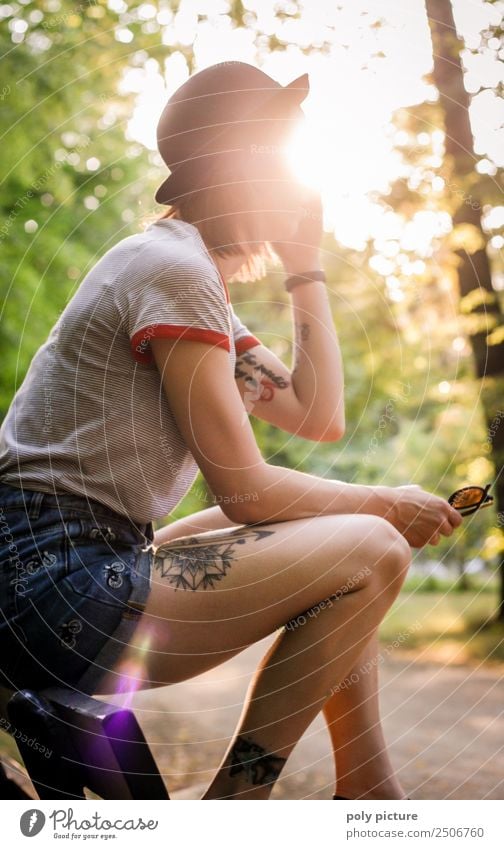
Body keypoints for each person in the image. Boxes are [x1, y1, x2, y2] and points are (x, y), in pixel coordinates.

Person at [0, 61, 462, 801]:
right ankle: (235, 807)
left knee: (347, 528)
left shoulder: (187, 278)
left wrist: (305, 267)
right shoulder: (171, 270)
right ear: (244, 158)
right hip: (50, 580)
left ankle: (370, 792)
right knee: (371, 540)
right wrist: (387, 501)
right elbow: (246, 491)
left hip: (74, 561)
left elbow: (317, 414)